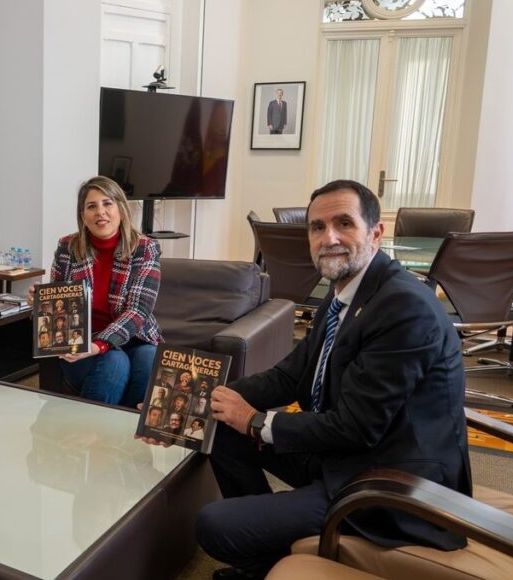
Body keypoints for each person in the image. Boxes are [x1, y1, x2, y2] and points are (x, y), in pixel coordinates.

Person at [193, 180, 469, 579]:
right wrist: (201, 398)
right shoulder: (346, 292)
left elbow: (358, 427)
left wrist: (254, 421)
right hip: (342, 456)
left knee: (214, 525)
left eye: (344, 223)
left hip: (389, 482)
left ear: (376, 233)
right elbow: (289, 375)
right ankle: (269, 561)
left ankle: (266, 555)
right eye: (317, 227)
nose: (329, 238)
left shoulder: (404, 306)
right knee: (220, 427)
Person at [29, 176, 161, 407]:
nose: (100, 212)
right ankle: (94, 428)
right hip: (81, 339)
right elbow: (58, 304)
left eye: (107, 203)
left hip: (134, 337)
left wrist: (99, 345)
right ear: (83, 215)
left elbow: (139, 310)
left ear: (121, 208)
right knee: (115, 362)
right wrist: (39, 304)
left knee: (149, 359)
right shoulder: (67, 248)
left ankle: (127, 426)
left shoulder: (145, 248)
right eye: (92, 206)